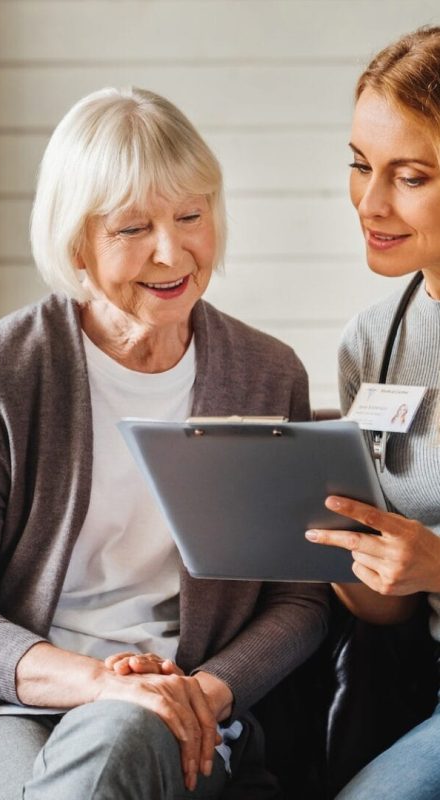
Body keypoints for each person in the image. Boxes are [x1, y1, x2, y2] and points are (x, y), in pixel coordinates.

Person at [0, 87, 328, 800]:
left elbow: (298, 601)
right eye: (132, 228)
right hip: (4, 704)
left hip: (188, 711)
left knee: (126, 738)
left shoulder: (266, 375)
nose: (172, 251)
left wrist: (203, 692)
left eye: (191, 216)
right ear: (75, 238)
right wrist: (103, 685)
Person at [304, 26, 440, 800]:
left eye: (409, 176)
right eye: (360, 166)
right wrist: (332, 550)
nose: (371, 202)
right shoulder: (371, 340)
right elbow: (388, 609)